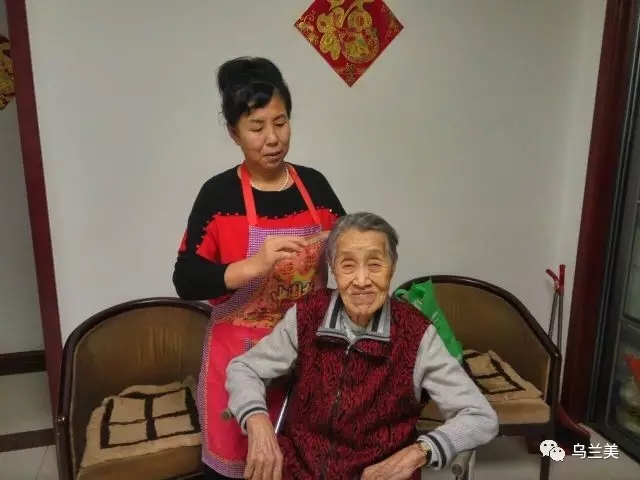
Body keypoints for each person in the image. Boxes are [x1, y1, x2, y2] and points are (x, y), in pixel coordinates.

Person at [225, 212, 499, 480]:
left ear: (392, 266)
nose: (361, 280)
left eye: (375, 265)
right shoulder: (308, 315)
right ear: (333, 267)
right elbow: (244, 369)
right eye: (348, 265)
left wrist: (416, 454)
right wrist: (257, 421)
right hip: (299, 469)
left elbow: (480, 417)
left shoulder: (415, 334)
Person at [172, 57, 346, 479]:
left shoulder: (315, 187)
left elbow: (349, 249)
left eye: (281, 123)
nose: (273, 138)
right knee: (239, 468)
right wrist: (254, 265)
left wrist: (352, 255)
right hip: (239, 361)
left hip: (307, 356)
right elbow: (186, 278)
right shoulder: (218, 196)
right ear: (234, 133)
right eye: (257, 127)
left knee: (304, 465)